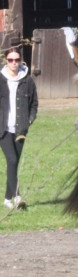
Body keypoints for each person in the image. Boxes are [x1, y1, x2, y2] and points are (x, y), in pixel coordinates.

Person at [0, 47, 37, 210]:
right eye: (10, 60)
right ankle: (17, 196)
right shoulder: (1, 79)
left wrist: (29, 120)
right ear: (6, 61)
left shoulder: (27, 80)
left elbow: (34, 103)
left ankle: (7, 198)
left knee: (13, 164)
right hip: (3, 129)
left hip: (20, 128)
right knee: (12, 160)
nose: (13, 63)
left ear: (20, 61)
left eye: (16, 60)